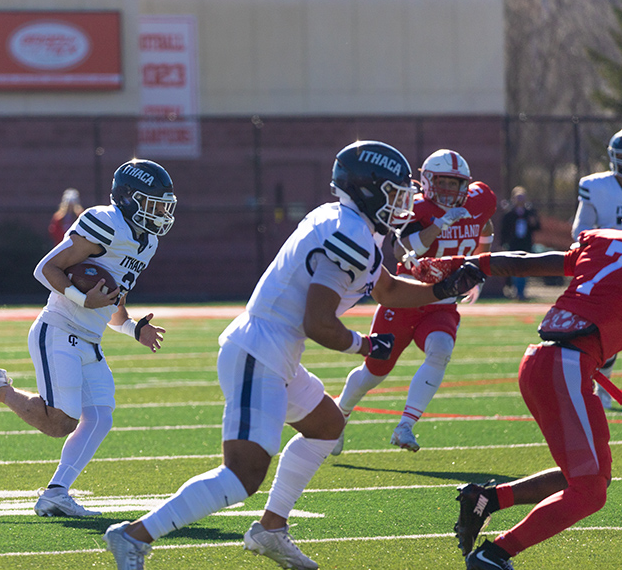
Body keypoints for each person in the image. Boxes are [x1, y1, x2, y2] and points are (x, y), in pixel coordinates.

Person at [99, 141, 485, 570]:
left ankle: (271, 529)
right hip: (259, 349)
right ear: (369, 189)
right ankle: (134, 536)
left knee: (327, 425)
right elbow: (318, 322)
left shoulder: (351, 224)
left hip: (275, 350)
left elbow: (389, 289)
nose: (402, 203)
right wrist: (364, 344)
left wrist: (441, 289)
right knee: (243, 474)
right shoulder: (350, 232)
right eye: (395, 193)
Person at [0, 159, 176, 518]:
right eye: (154, 204)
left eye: (164, 205)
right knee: (60, 423)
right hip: (59, 329)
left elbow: (113, 301)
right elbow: (46, 268)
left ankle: (56, 493)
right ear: (130, 199)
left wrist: (134, 328)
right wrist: (81, 298)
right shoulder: (106, 221)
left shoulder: (145, 243)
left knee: (101, 417)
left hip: (89, 339)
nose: (161, 213)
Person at [414, 229, 622, 569]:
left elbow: (526, 262)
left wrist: (467, 263)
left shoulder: (606, 245)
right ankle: (494, 554)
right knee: (590, 492)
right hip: (567, 367)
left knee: (586, 477)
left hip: (545, 363)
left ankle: (488, 499)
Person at [333, 149, 496, 453]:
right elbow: (400, 250)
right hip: (406, 297)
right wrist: (440, 225)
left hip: (444, 299)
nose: (450, 190)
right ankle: (338, 415)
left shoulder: (478, 201)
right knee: (373, 372)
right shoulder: (416, 207)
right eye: (443, 183)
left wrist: (480, 264)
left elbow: (485, 226)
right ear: (427, 181)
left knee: (441, 350)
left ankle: (405, 425)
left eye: (456, 184)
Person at [570, 129, 622, 410]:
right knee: (608, 336)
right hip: (608, 268)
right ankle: (601, 393)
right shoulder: (597, 186)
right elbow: (581, 230)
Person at [499, 186, 540, 300]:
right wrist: (503, 244)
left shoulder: (530, 213)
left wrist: (533, 222)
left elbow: (537, 227)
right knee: (515, 267)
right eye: (518, 198)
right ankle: (516, 291)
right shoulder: (510, 214)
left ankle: (522, 291)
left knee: (525, 267)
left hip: (526, 244)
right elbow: (504, 230)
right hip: (514, 244)